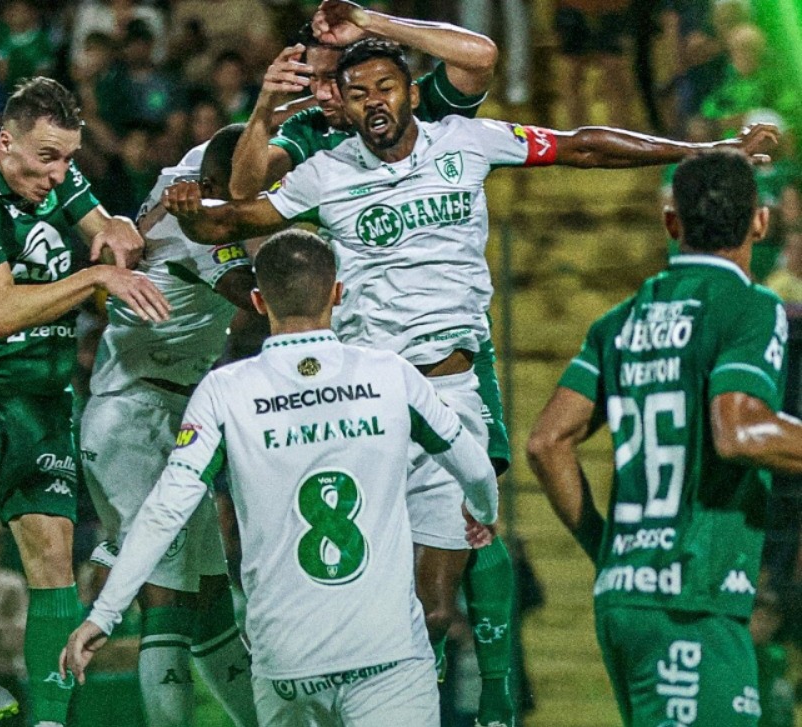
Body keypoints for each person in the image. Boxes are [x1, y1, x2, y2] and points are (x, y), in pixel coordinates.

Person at [167, 36, 779, 727]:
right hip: (370, 397)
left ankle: (489, 697)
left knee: (442, 590)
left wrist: (695, 151)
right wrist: (198, 196)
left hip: (453, 382)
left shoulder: (467, 140)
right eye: (360, 91)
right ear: (344, 100)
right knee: (378, 588)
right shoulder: (325, 169)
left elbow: (578, 145)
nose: (376, 102)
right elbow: (237, 209)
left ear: (410, 91)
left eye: (387, 87)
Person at [61, 228, 499, 727]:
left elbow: (166, 508)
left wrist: (106, 613)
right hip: (387, 654)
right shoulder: (391, 375)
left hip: (287, 664)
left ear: (255, 299)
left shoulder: (225, 391)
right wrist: (481, 513)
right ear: (338, 293)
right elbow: (475, 466)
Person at [0, 76, 169, 727]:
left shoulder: (56, 176)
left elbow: (106, 227)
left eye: (68, 158)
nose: (58, 174)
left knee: (54, 553)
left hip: (43, 397)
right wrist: (95, 273)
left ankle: (51, 719)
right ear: (6, 144)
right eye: (46, 157)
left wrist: (117, 231)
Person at [526, 150, 802, 726]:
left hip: (626, 596)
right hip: (690, 597)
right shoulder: (750, 306)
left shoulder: (619, 321)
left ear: (671, 222)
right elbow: (741, 431)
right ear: (760, 222)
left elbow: (547, 442)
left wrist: (607, 550)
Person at [78, 123, 259, 727]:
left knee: (210, 607)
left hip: (165, 415)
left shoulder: (182, 180)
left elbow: (233, 149)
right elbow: (265, 299)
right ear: (212, 187)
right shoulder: (202, 227)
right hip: (133, 416)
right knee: (169, 599)